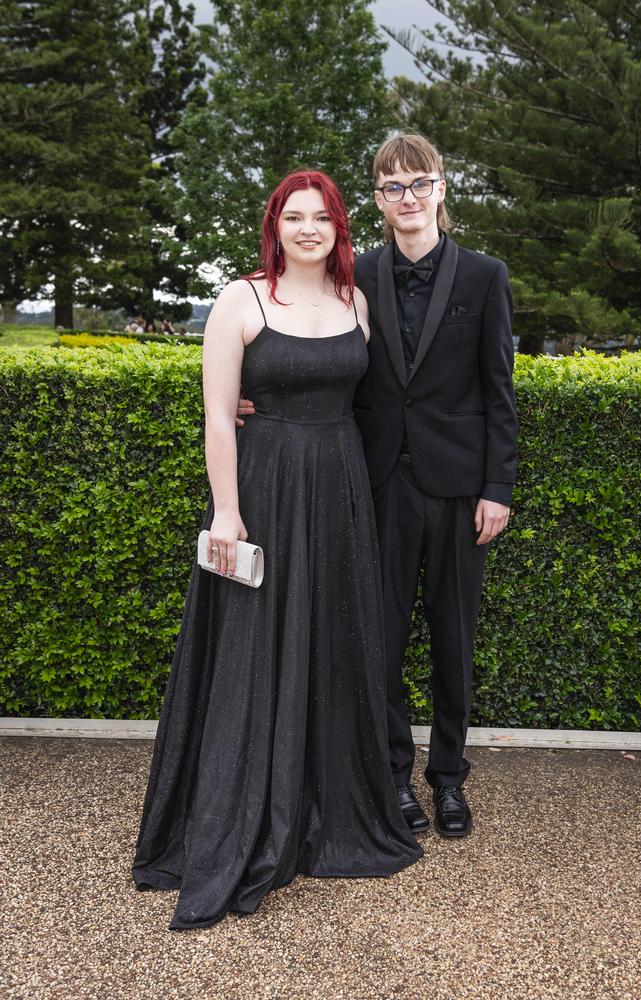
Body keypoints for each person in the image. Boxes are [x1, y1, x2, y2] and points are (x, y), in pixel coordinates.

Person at [132, 169, 422, 930]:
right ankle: (241, 816)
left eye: (319, 217)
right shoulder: (241, 299)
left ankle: (325, 808)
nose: (306, 229)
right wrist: (227, 513)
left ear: (338, 228)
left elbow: (369, 402)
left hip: (340, 493)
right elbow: (220, 418)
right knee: (252, 652)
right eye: (293, 217)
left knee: (331, 644)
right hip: (261, 493)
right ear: (275, 225)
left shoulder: (357, 303)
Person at [240, 134, 517, 839]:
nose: (408, 197)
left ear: (443, 188)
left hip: (460, 491)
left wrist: (498, 486)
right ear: (377, 199)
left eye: (419, 183)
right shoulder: (352, 275)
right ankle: (392, 777)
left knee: (454, 640)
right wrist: (256, 397)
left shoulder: (486, 276)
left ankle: (449, 780)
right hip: (375, 484)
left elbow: (499, 392)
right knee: (380, 638)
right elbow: (307, 342)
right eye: (393, 187)